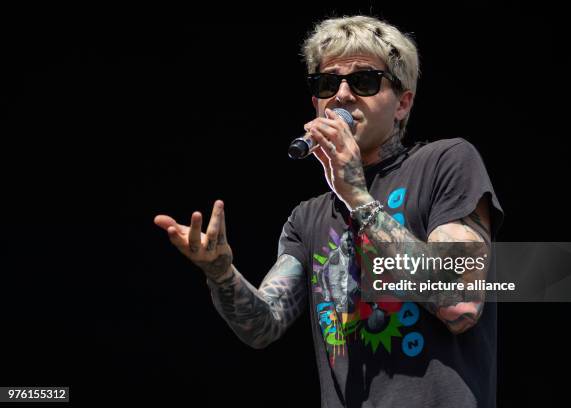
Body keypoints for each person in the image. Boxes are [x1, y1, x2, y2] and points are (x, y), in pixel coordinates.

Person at [154, 15, 504, 408]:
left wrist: (357, 197)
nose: (341, 96)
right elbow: (262, 326)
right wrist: (220, 274)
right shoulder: (307, 218)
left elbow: (459, 301)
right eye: (326, 83)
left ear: (403, 103)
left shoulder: (446, 162)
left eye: (364, 81)